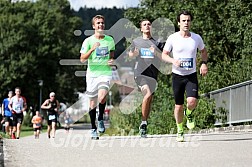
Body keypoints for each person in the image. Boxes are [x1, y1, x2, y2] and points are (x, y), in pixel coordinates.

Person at [162, 10, 208, 142]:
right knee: (178, 106)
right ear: (178, 23)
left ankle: (189, 114)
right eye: (183, 21)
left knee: (192, 101)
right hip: (177, 76)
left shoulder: (196, 38)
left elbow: (204, 52)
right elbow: (164, 54)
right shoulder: (173, 38)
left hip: (191, 75)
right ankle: (180, 129)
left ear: (191, 22)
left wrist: (204, 63)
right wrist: (173, 61)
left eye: (188, 20)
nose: (186, 23)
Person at [80, 15, 115, 140]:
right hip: (92, 75)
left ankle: (100, 118)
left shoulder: (110, 40)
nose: (101, 25)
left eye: (102, 23)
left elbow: (112, 55)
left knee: (102, 96)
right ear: (93, 26)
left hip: (105, 73)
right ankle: (93, 128)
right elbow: (82, 59)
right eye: (98, 23)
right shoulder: (88, 41)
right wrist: (92, 49)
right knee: (92, 102)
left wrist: (111, 60)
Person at [129, 19, 165, 137]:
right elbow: (130, 55)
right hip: (140, 74)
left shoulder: (157, 42)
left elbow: (164, 57)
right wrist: (134, 53)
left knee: (149, 100)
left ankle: (144, 123)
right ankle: (143, 123)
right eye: (145, 24)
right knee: (147, 94)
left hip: (153, 75)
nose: (147, 26)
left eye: (149, 24)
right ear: (141, 28)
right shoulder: (136, 41)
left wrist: (156, 53)